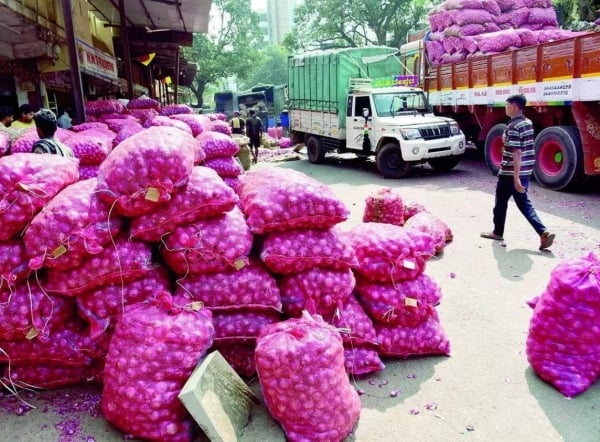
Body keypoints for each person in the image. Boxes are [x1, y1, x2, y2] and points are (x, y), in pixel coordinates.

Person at [480, 94, 554, 250]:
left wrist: (515, 177)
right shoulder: (528, 123)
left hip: (510, 173)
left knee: (500, 204)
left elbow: (517, 152)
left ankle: (497, 232)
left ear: (514, 106)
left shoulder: (513, 127)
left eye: (507, 105)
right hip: (525, 170)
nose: (505, 108)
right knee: (523, 203)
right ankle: (543, 232)